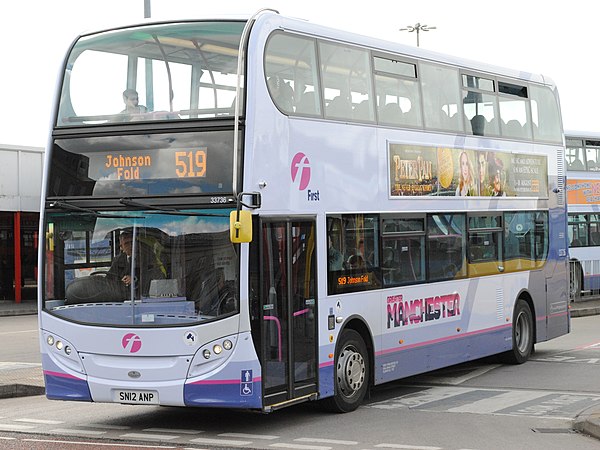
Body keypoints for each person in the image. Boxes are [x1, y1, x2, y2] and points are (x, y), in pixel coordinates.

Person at [107, 230, 165, 296]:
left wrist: (135, 279)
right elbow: (109, 279)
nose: (131, 245)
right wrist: (121, 282)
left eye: (132, 242)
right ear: (121, 247)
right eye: (126, 243)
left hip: (144, 297)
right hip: (122, 298)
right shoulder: (117, 260)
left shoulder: (147, 257)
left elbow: (159, 276)